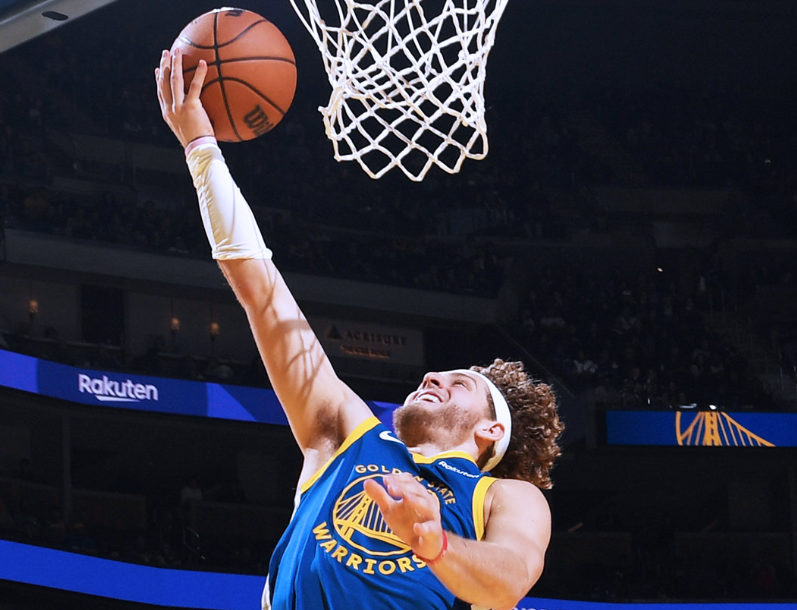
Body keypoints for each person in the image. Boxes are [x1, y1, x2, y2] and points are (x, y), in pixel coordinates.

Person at [155, 48, 564, 610]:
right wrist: (201, 147)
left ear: (492, 430)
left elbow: (510, 578)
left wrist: (434, 543)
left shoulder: (503, 497)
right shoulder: (344, 431)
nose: (433, 377)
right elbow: (262, 291)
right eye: (440, 374)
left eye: (461, 383)